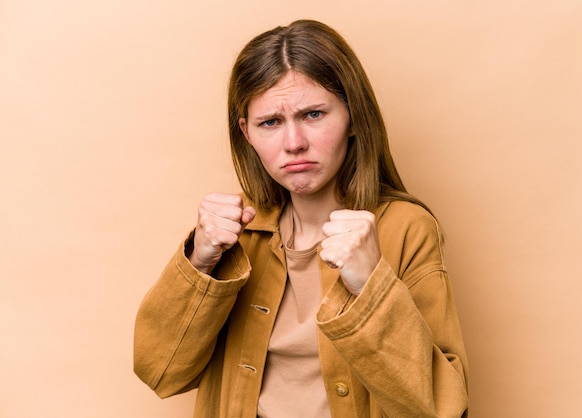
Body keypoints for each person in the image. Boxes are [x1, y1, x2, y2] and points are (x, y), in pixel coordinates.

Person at [134, 19, 469, 418]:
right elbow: (160, 372)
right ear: (247, 134)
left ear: (353, 118)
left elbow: (443, 409)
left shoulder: (404, 228)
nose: (294, 143)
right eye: (270, 122)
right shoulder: (235, 233)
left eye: (313, 114)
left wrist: (371, 287)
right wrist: (200, 262)